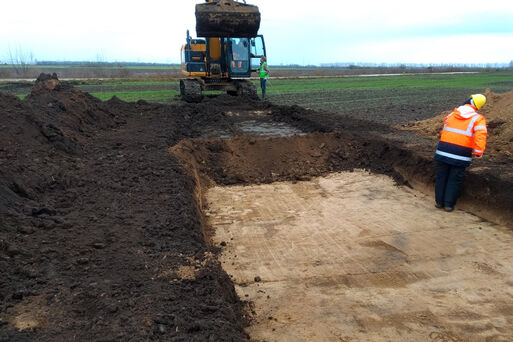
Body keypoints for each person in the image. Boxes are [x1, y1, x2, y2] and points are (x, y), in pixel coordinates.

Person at [434, 94, 488, 212]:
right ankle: (448, 205)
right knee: (454, 179)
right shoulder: (478, 119)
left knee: (441, 177)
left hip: (442, 151)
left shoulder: (451, 114)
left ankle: (439, 202)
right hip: (461, 155)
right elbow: (480, 136)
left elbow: (445, 129)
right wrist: (478, 152)